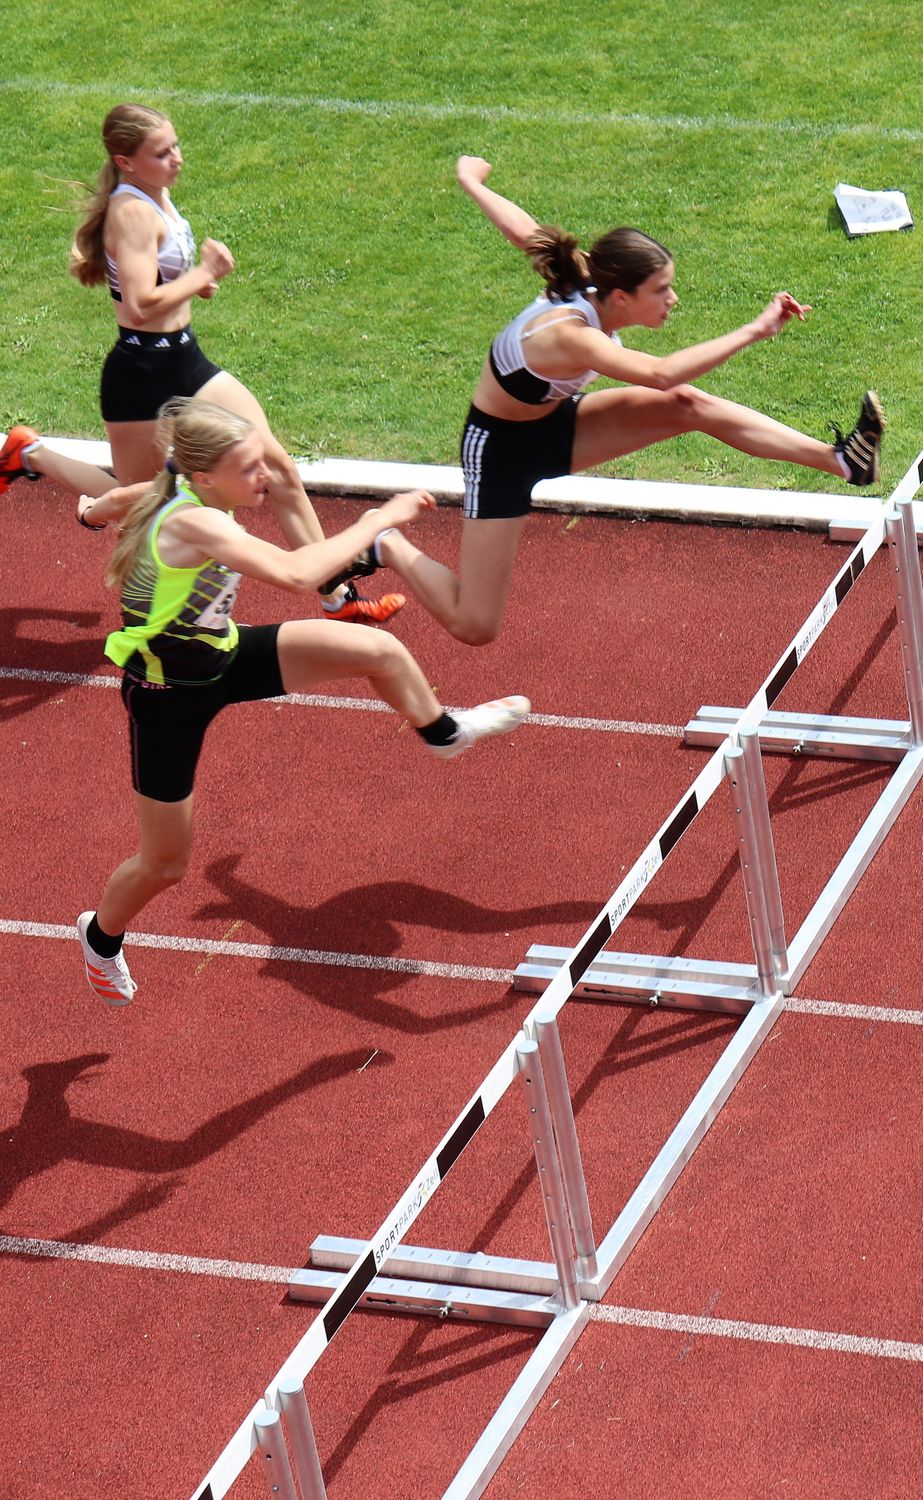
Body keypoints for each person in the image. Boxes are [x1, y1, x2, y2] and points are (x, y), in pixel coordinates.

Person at [76, 399, 529, 1004]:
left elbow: (113, 503)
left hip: (225, 657)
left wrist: (90, 512)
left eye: (262, 462)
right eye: (250, 468)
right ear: (205, 475)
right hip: (167, 698)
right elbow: (294, 575)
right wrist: (379, 522)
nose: (265, 476)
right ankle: (100, 938)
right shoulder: (196, 521)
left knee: (379, 652)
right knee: (164, 865)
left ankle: (443, 732)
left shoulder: (175, 492)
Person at [329, 156, 885, 646]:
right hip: (498, 452)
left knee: (687, 407)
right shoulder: (569, 333)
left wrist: (471, 180)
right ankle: (387, 541)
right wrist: (754, 330)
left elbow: (525, 231)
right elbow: (659, 373)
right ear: (622, 297)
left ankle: (843, 461)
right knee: (477, 626)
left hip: (554, 424)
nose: (673, 299)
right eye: (661, 291)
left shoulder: (591, 280)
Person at [1, 101, 400, 623]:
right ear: (126, 161)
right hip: (141, 375)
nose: (177, 159)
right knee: (143, 502)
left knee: (277, 467)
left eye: (175, 146)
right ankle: (30, 455)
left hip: (187, 359)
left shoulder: (156, 194)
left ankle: (335, 598)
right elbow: (142, 303)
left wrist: (194, 287)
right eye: (161, 152)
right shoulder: (132, 212)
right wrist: (202, 274)